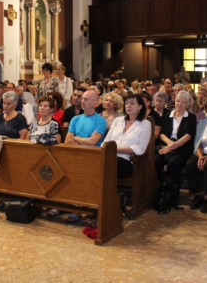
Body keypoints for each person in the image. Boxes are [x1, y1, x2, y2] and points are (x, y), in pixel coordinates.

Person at [64, 90, 106, 223]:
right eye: (82, 99)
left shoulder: (100, 120)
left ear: (96, 102)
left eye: (86, 99)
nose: (82, 101)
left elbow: (93, 142)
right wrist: (84, 140)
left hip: (93, 156)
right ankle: (74, 208)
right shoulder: (75, 119)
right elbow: (67, 140)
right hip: (75, 154)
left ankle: (90, 209)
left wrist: (77, 138)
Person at [155, 90, 196, 201]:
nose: (179, 104)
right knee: (156, 160)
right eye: (178, 101)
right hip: (167, 144)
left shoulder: (191, 117)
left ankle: (174, 191)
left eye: (183, 102)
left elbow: (188, 136)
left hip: (183, 147)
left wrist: (173, 146)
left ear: (187, 104)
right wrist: (169, 144)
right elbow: (162, 134)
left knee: (173, 162)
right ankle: (159, 188)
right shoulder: (167, 115)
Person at [104, 93, 152, 178]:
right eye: (126, 103)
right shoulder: (117, 121)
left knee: (110, 165)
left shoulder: (145, 124)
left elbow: (141, 149)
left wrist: (116, 149)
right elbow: (106, 142)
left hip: (127, 160)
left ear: (140, 107)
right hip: (109, 156)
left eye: (132, 103)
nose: (128, 106)